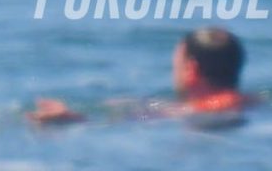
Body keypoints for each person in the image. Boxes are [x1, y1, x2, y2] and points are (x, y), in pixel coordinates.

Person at [30, 26, 252, 124]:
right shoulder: (250, 102)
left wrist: (74, 119)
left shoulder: (197, 110)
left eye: (176, 65)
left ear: (191, 70)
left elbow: (131, 120)